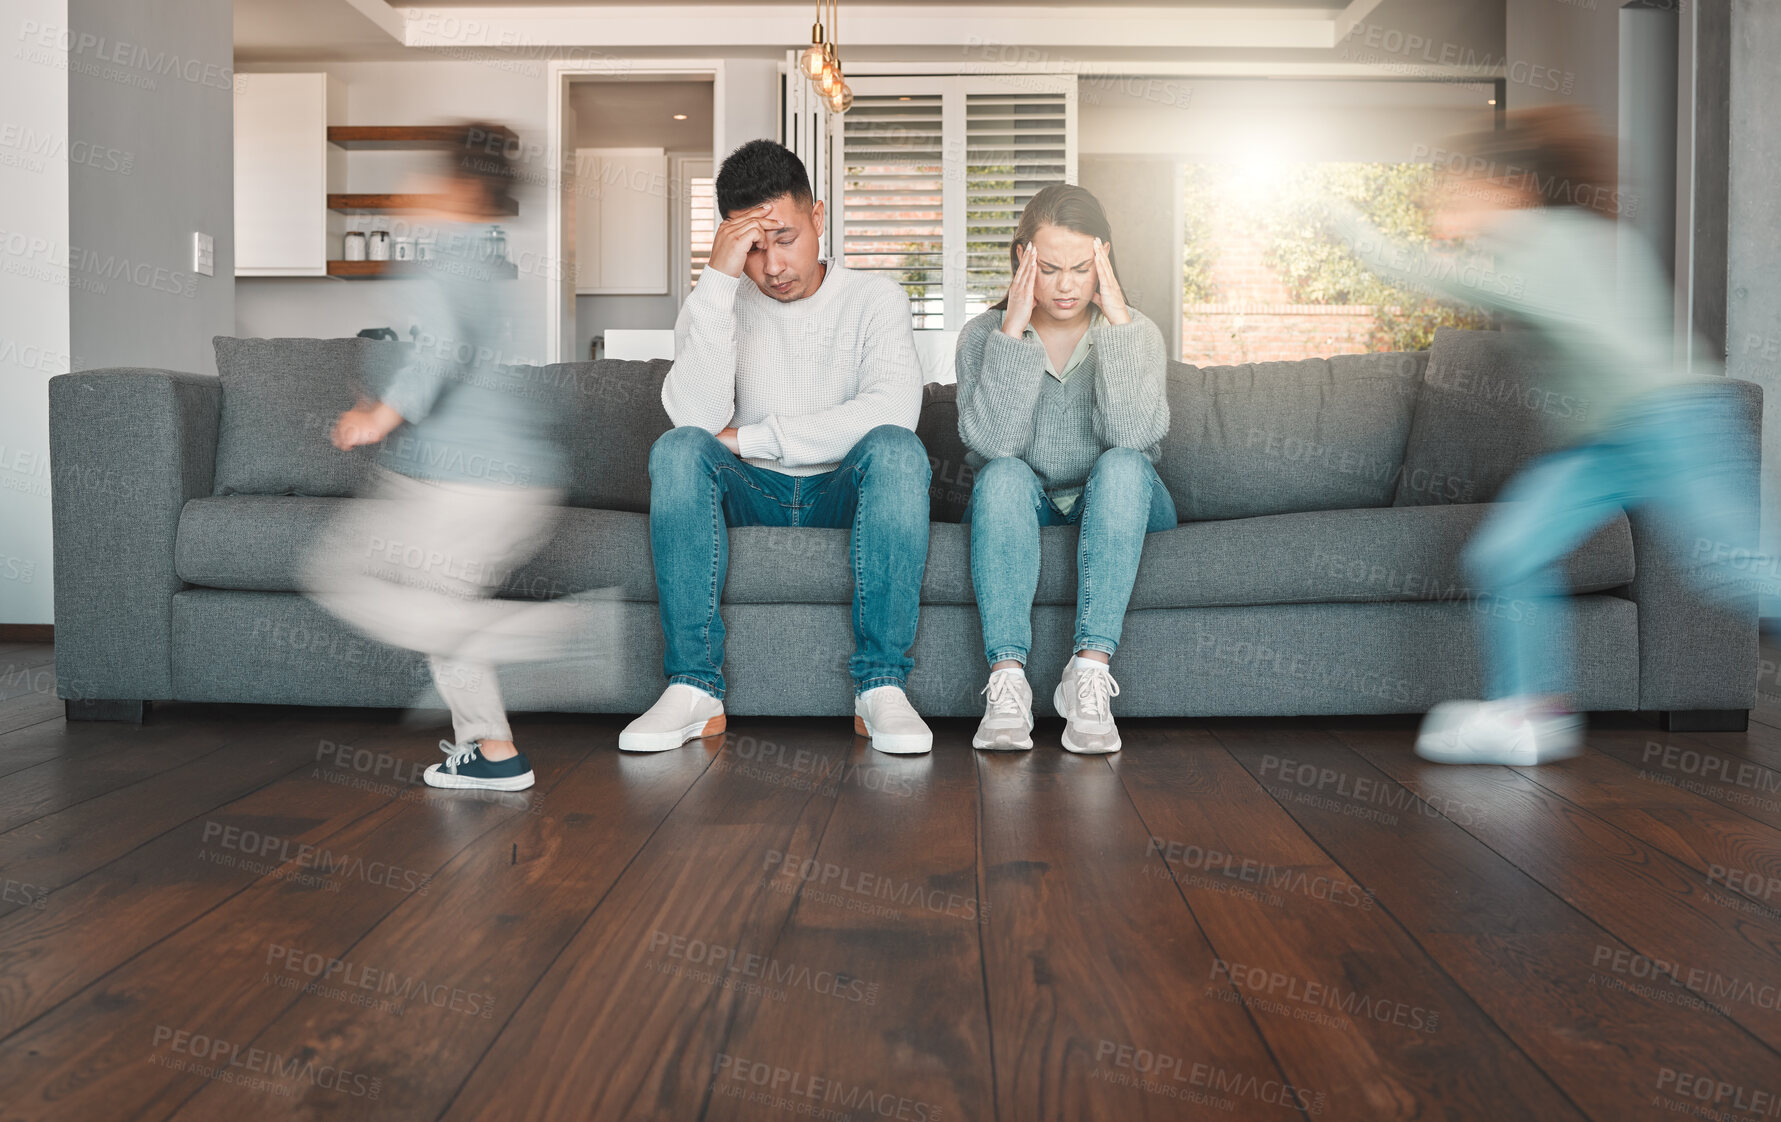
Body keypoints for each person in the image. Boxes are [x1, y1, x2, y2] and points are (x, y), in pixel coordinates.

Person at [1333, 107, 1760, 764]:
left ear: (1503, 187)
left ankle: (1524, 708)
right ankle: (1524, 712)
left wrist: (1345, 223)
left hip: (1669, 422)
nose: (1441, 200)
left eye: (1454, 187)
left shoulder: (1539, 242)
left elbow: (1431, 273)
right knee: (1508, 554)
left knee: (1739, 573)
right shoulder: (1558, 238)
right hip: (1610, 441)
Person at [304, 122, 598, 792]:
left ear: (458, 190)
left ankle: (537, 640)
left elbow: (439, 347)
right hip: (507, 481)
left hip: (464, 482)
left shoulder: (445, 258)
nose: (416, 189)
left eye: (431, 178)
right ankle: (494, 750)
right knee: (437, 602)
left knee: (341, 573)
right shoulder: (484, 264)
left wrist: (380, 415)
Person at [619, 139, 934, 755]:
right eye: (753, 248)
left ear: (819, 216)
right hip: (752, 491)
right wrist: (715, 281)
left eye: (785, 238)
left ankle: (882, 688)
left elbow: (894, 411)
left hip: (840, 486)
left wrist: (756, 437)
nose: (772, 267)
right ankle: (693, 689)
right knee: (678, 450)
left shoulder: (876, 299)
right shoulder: (720, 300)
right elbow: (694, 419)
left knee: (898, 449)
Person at [954, 184, 1173, 755]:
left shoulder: (1137, 332)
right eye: (1049, 268)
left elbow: (1131, 438)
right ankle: (1007, 681)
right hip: (1029, 498)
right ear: (1022, 258)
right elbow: (994, 445)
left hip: (1121, 497)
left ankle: (1088, 676)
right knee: (999, 476)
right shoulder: (984, 336)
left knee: (1124, 464)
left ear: (1104, 259)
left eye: (1082, 267)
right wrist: (1013, 332)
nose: (1068, 284)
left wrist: (1118, 323)